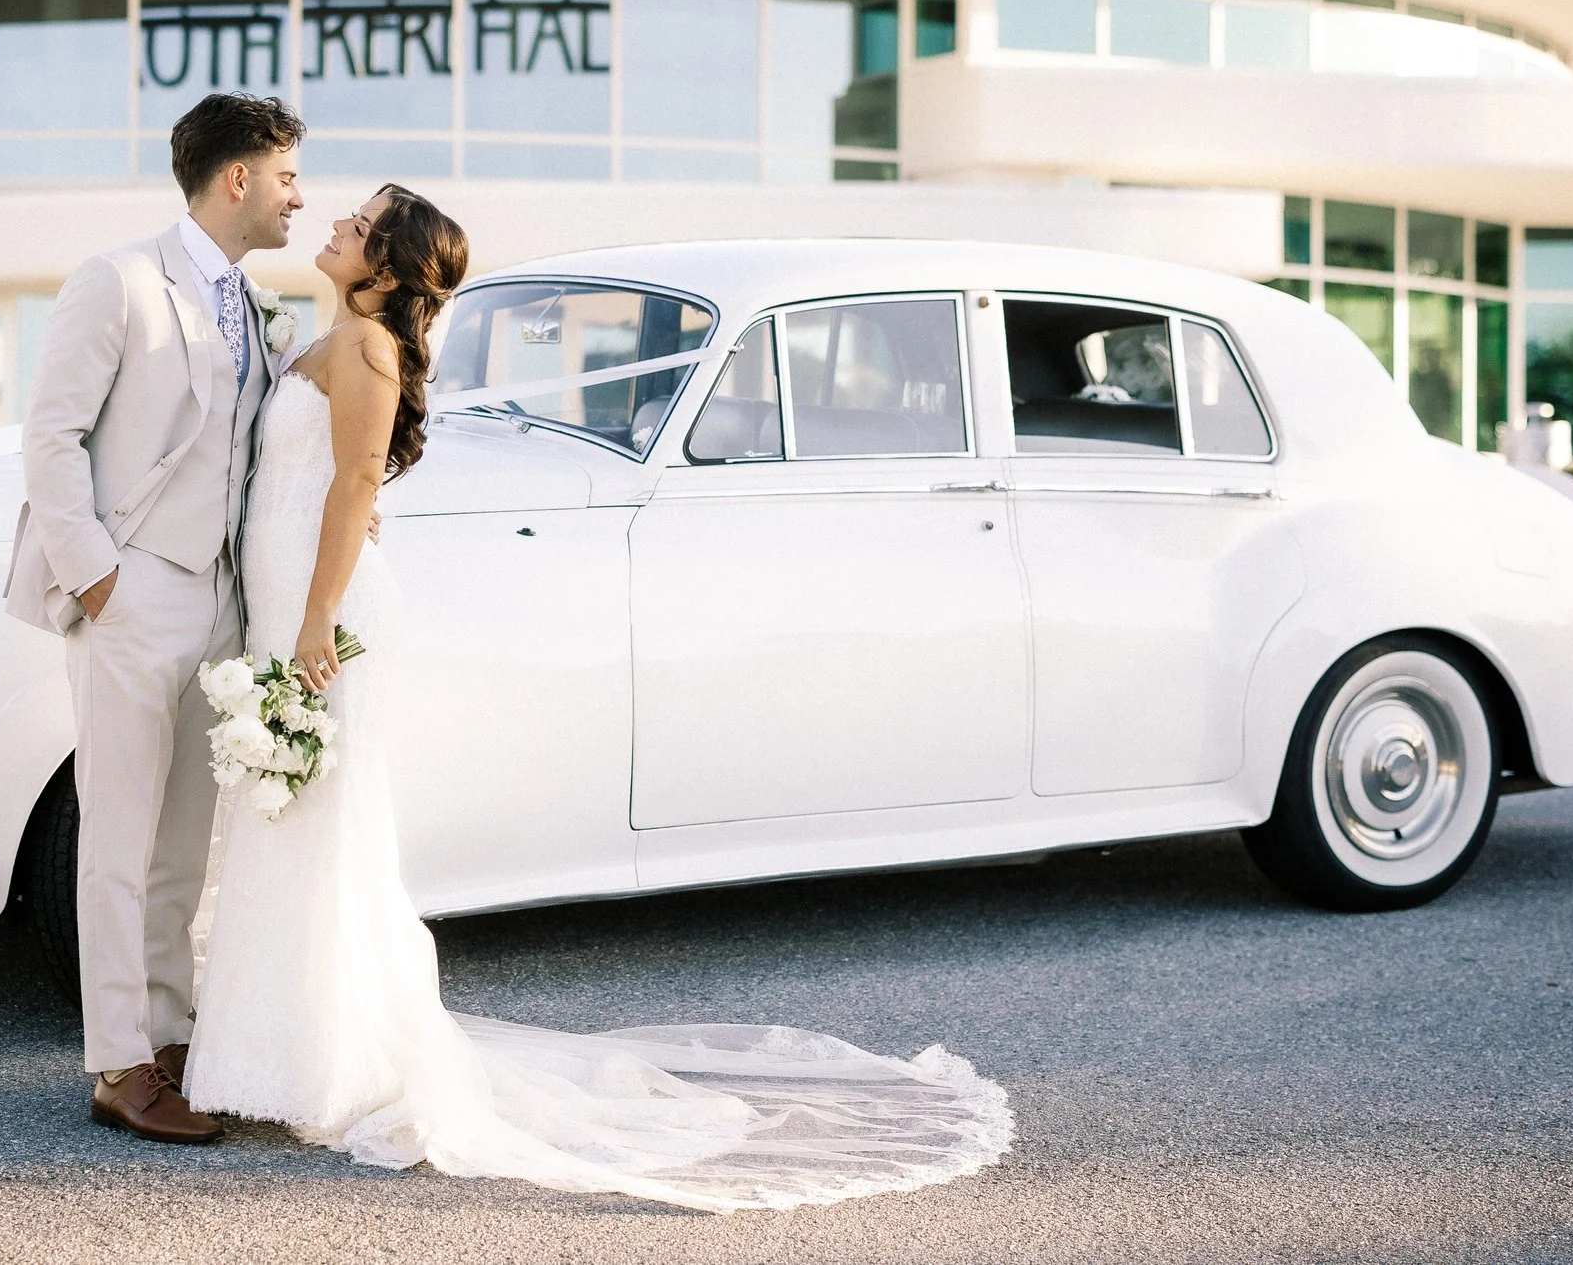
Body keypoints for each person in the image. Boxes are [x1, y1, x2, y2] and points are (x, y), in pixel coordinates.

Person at [183, 184, 1016, 1211]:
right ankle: (266, 1050)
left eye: (358, 223)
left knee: (319, 821)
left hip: (318, 610)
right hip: (290, 591)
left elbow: (358, 479)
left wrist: (315, 617)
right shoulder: (339, 335)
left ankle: (319, 1061)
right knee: (287, 819)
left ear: (388, 268)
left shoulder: (364, 349)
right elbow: (336, 485)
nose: (338, 225)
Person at [4, 92, 305, 1144]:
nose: (297, 198)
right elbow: (51, 437)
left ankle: (175, 1040)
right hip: (133, 591)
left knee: (186, 843)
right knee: (118, 840)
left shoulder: (260, 306)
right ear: (237, 176)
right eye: (284, 178)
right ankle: (118, 1062)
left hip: (218, 597)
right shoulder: (119, 279)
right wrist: (99, 580)